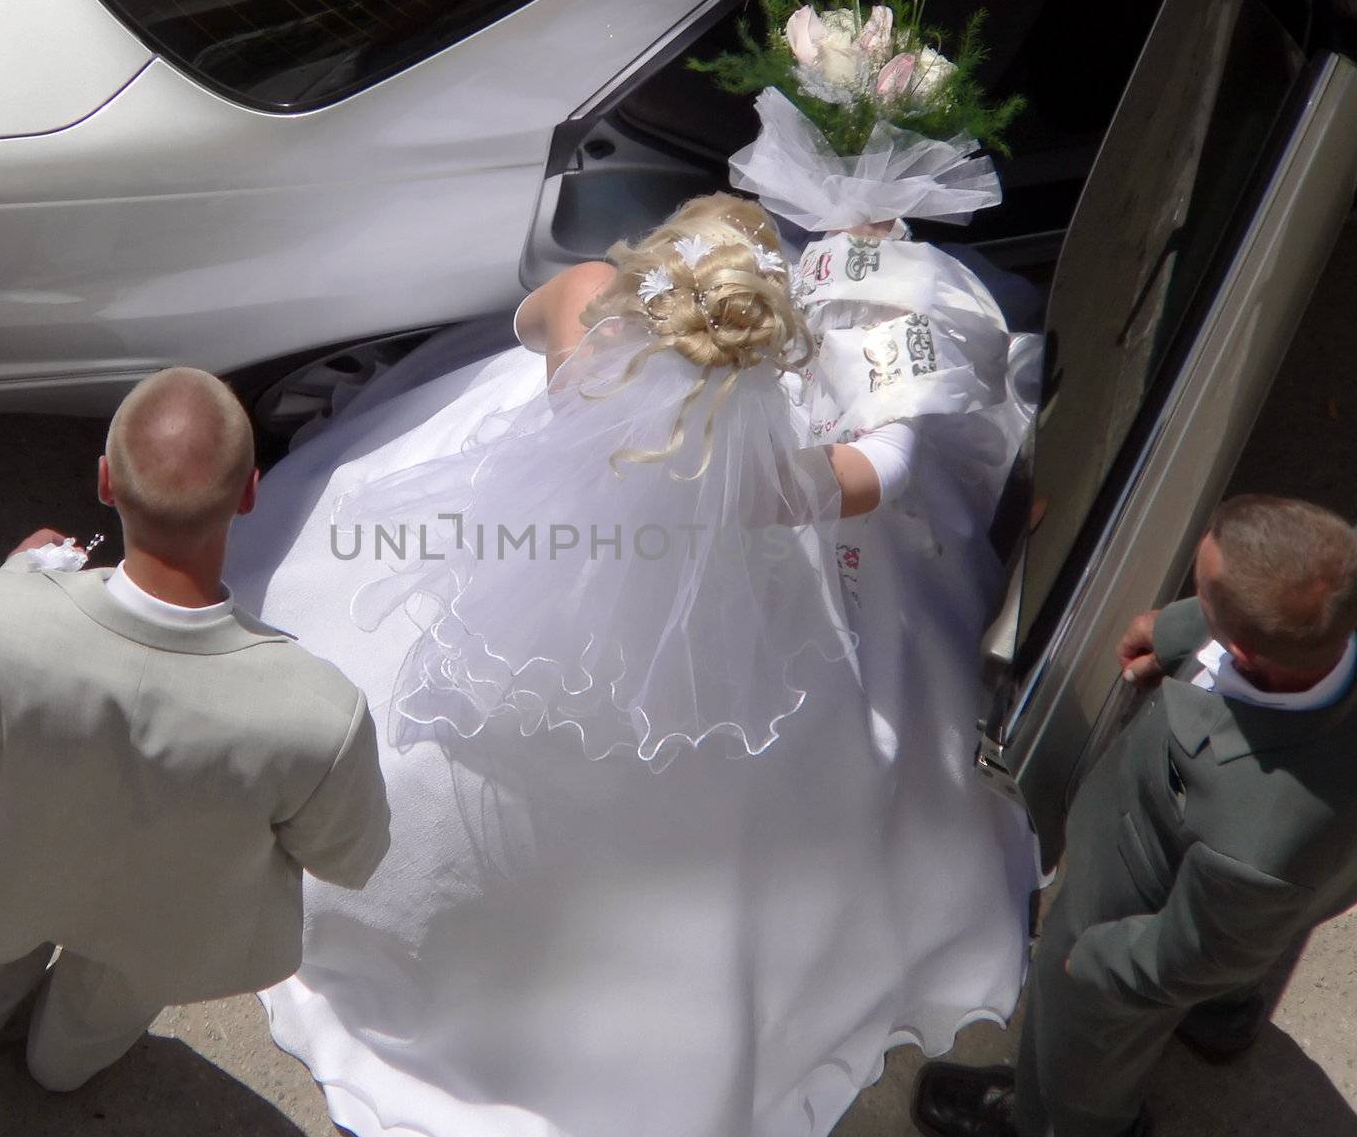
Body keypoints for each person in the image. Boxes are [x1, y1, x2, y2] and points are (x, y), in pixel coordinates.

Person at [227, 194, 1039, 1137]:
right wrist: (887, 388)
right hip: (697, 629)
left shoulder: (579, 312)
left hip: (528, 555)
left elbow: (532, 326)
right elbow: (880, 473)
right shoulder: (758, 475)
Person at [0, 368, 391, 1091]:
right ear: (250, 491)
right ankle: (62, 1069)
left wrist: (13, 581)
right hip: (166, 923)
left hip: (9, 875)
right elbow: (349, 858)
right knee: (86, 1038)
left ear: (105, 480)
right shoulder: (322, 711)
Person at [914, 494, 1357, 1137]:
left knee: (1082, 1043)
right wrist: (1180, 632)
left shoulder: (1257, 844)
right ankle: (1216, 1017)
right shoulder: (1330, 614)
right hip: (1282, 887)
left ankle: (1060, 1123)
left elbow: (1192, 953)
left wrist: (1094, 960)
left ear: (1246, 653)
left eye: (1201, 599)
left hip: (1140, 916)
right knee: (1253, 935)